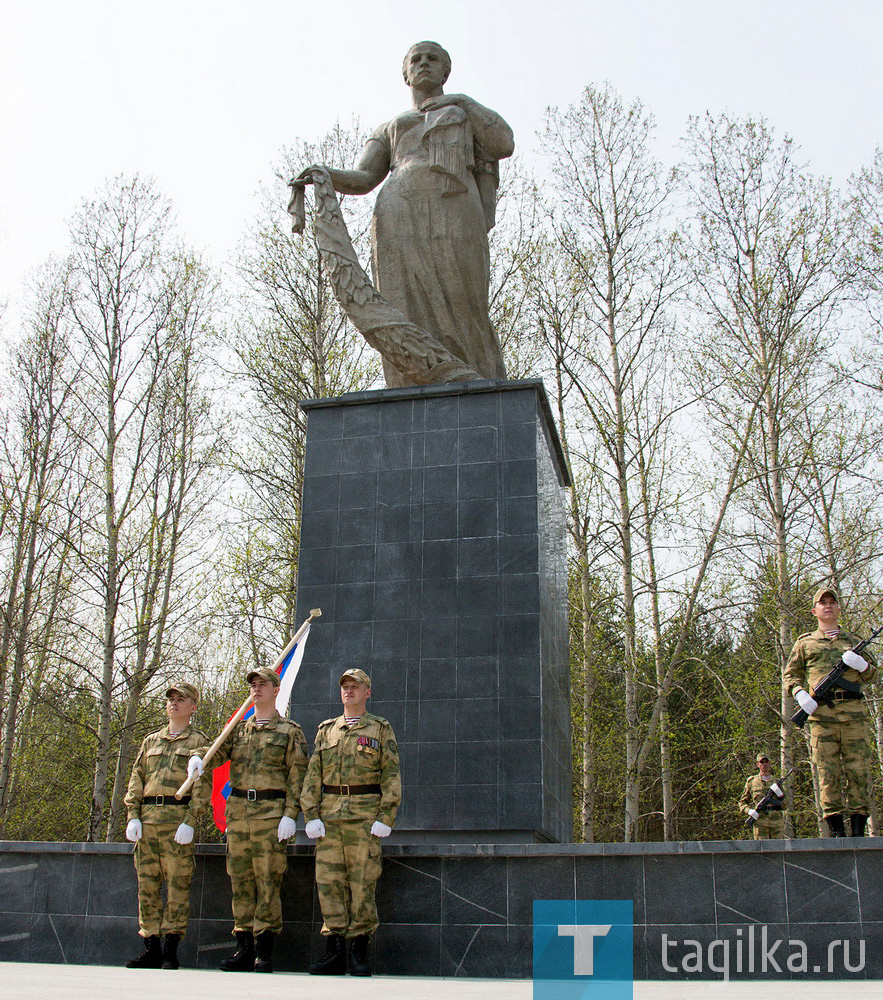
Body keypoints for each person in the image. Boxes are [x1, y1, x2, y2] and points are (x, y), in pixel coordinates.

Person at [295, 41, 514, 388]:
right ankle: (408, 384)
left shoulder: (464, 112)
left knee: (466, 301)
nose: (424, 64)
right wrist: (324, 174)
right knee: (403, 303)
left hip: (455, 205)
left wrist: (464, 103)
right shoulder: (390, 128)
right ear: (405, 74)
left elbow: (504, 143)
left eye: (433, 59)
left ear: (446, 71)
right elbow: (364, 178)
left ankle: (479, 382)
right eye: (416, 59)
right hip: (398, 210)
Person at [187, 667, 308, 973]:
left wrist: (291, 814)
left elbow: (298, 777)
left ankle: (264, 951)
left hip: (270, 814)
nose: (256, 689)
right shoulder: (240, 730)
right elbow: (217, 753)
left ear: (276, 689)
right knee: (240, 882)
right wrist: (199, 757)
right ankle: (244, 947)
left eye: (262, 684)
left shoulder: (290, 731)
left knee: (267, 882)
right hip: (239, 815)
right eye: (253, 684)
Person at [302, 668, 401, 977]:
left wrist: (385, 816)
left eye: (355, 686)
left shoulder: (380, 729)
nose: (349, 691)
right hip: (330, 817)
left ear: (367, 692)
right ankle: (334, 952)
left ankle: (358, 952)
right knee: (329, 886)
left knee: (362, 885)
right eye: (345, 686)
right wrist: (311, 814)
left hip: (363, 816)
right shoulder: (326, 730)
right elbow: (313, 774)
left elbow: (391, 775)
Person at [123, 681, 209, 970]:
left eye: (180, 699)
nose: (173, 703)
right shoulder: (151, 741)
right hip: (148, 818)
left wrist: (190, 821)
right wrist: (132, 814)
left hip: (176, 820)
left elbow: (201, 787)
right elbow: (137, 778)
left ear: (192, 707)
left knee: (177, 887)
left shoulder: (199, 743)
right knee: (147, 887)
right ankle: (151, 946)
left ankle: (171, 949)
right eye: (170, 699)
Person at [784, 587, 878, 838]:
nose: (828, 606)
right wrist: (800, 694)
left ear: (838, 609)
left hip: (853, 718)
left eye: (832, 602)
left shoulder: (852, 641)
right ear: (814, 611)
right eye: (822, 603)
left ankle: (859, 826)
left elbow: (874, 674)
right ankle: (836, 829)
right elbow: (790, 675)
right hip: (821, 718)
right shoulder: (805, 642)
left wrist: (862, 665)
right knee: (827, 772)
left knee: (858, 771)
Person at [739, 752, 786, 840]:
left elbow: (785, 805)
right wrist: (749, 811)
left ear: (769, 763)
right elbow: (742, 802)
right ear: (758, 764)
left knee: (778, 849)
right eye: (762, 762)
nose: (764, 764)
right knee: (762, 850)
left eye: (766, 762)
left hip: (776, 823)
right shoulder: (752, 781)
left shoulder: (776, 781)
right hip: (760, 823)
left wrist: (780, 795)